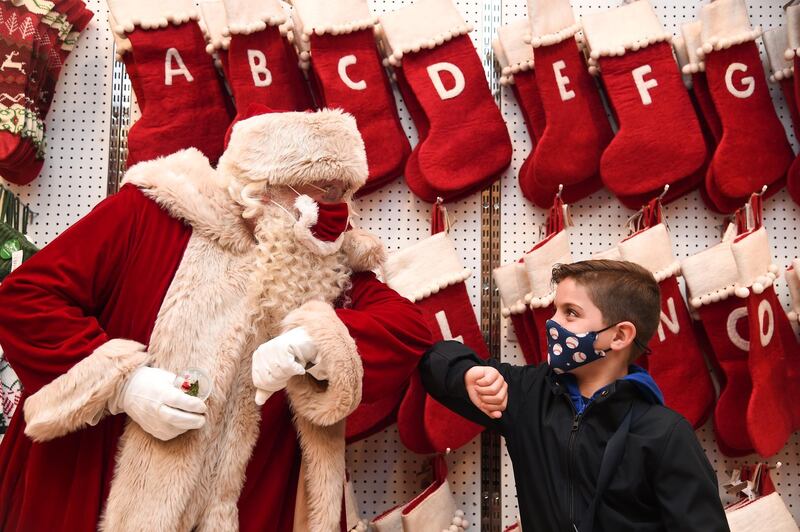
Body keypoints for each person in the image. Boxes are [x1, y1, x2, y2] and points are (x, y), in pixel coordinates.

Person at [0, 109, 432, 531]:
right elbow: (28, 297)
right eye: (322, 189)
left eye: (343, 192)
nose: (336, 210)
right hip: (104, 484)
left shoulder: (328, 267)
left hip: (251, 501)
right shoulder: (150, 216)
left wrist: (311, 343)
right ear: (263, 187)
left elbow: (407, 328)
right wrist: (123, 385)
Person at [420, 260, 729, 532]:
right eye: (555, 310)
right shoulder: (529, 395)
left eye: (570, 313)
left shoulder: (665, 433)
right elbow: (434, 360)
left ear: (619, 336)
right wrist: (465, 374)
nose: (553, 323)